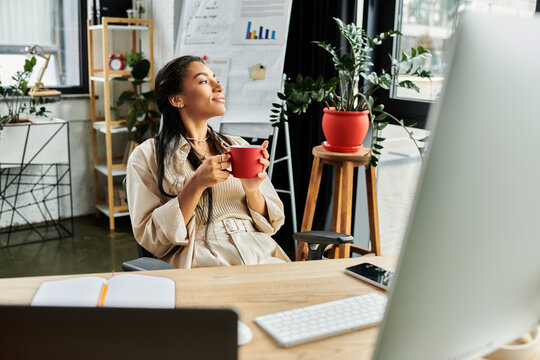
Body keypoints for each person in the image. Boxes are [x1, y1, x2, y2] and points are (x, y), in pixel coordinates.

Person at [126, 55, 290, 268]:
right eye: (204, 81)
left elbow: (271, 224)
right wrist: (196, 184)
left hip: (260, 252)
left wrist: (252, 190)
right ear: (177, 99)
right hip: (202, 259)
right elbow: (152, 237)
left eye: (216, 79)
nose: (219, 87)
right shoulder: (147, 156)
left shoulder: (238, 145)